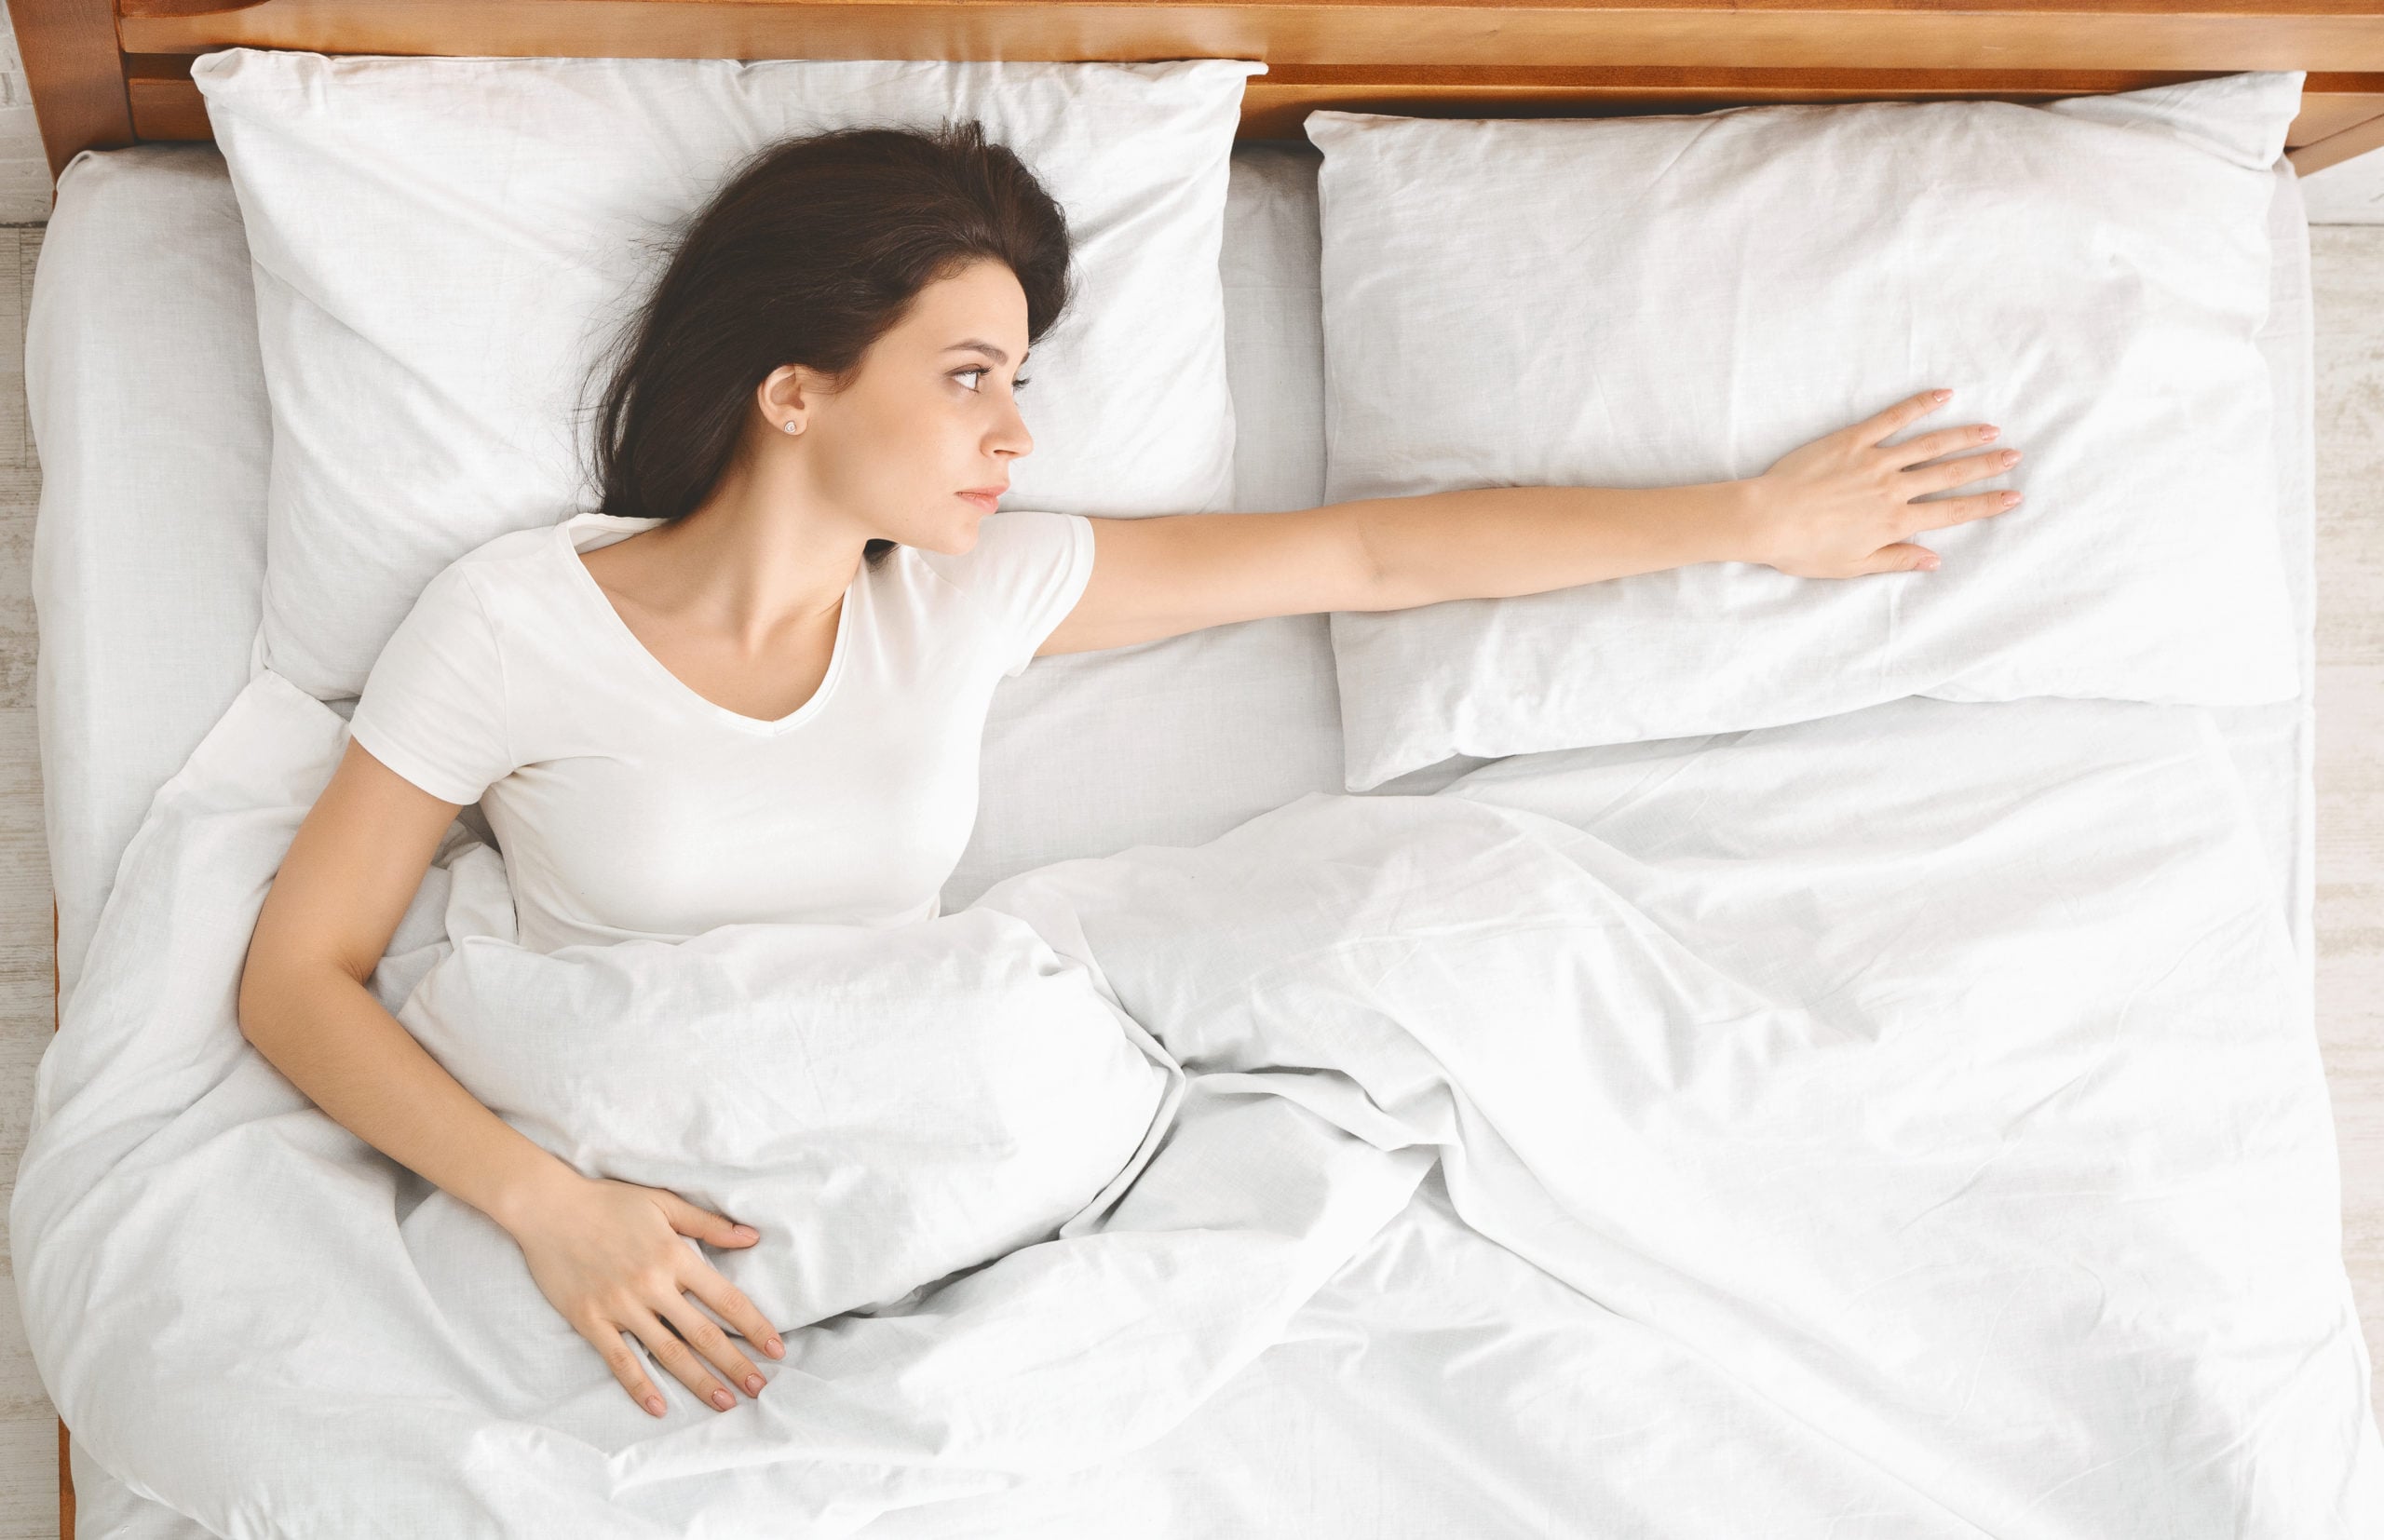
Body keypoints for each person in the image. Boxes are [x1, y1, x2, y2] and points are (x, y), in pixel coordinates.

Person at [235, 120, 2024, 1424]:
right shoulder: (516, 622)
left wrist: (1748, 519)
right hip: (629, 1162)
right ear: (795, 388)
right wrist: (551, 1210)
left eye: (1019, 378)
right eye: (969, 377)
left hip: (908, 1124)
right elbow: (299, 973)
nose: (1017, 432)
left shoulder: (969, 591)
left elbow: (1368, 557)